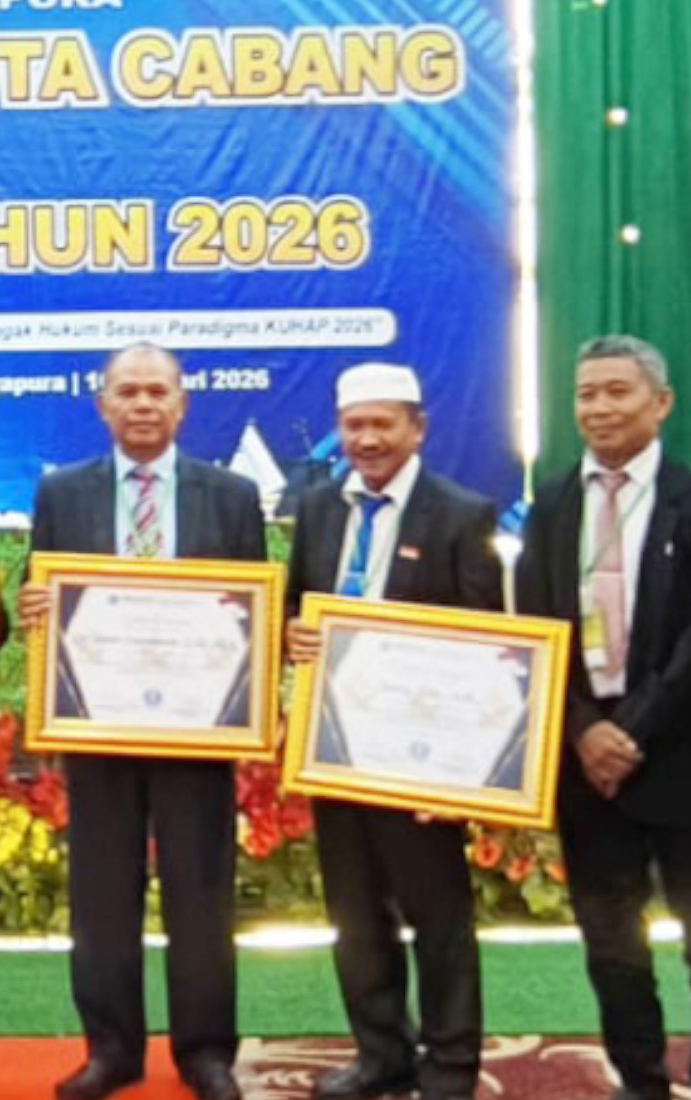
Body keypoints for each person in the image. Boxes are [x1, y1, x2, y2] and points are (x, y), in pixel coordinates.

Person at [19, 344, 266, 1100]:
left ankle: (206, 1053)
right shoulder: (62, 493)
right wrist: (35, 605)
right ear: (103, 405)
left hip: (197, 730)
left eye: (158, 391)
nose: (143, 404)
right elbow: (40, 594)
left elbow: (253, 612)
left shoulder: (232, 496)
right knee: (100, 896)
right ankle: (112, 1050)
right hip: (98, 725)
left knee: (201, 894)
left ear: (182, 405)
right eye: (127, 391)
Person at [517, 337, 691, 1100]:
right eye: (585, 393)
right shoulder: (551, 502)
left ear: (661, 402)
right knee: (611, 942)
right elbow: (537, 622)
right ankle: (640, 1078)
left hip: (681, 749)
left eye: (617, 391)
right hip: (585, 755)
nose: (598, 408)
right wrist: (583, 729)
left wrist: (634, 733)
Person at [283, 363, 503, 1100]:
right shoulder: (318, 507)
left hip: (422, 760)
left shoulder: (462, 514)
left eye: (384, 424)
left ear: (418, 428)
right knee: (355, 914)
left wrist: (464, 773)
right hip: (335, 747)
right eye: (355, 425)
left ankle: (451, 1064)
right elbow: (296, 609)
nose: (368, 439)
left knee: (438, 916)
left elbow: (486, 642)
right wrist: (292, 635)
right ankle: (381, 1053)